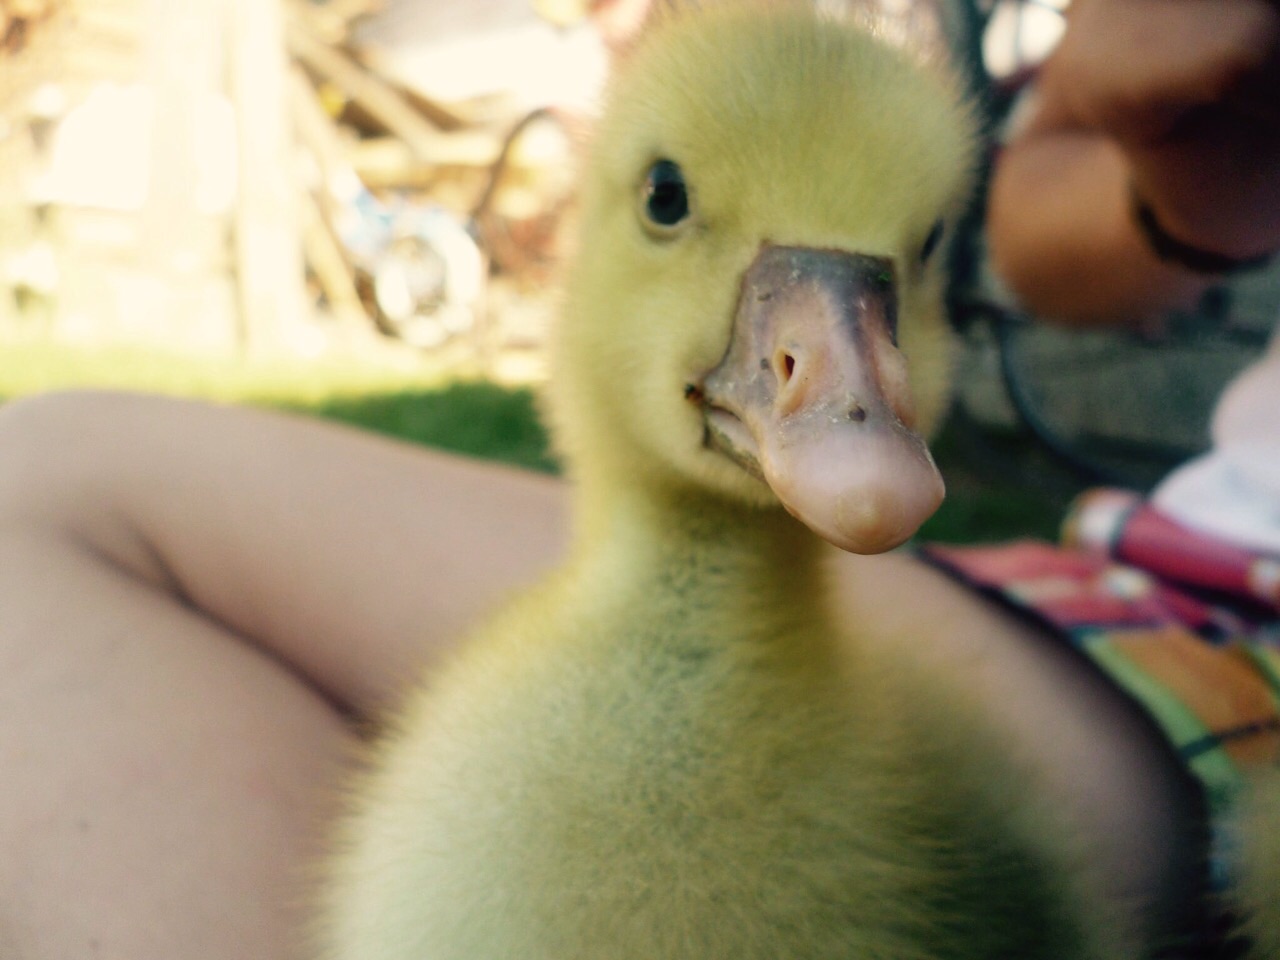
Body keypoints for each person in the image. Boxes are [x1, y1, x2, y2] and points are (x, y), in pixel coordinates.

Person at [0, 1, 1275, 957]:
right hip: (1134, 589)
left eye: (903, 261)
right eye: (673, 204)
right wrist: (1195, 163)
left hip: (1235, 663)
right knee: (44, 474)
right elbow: (1054, 225)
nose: (825, 371)